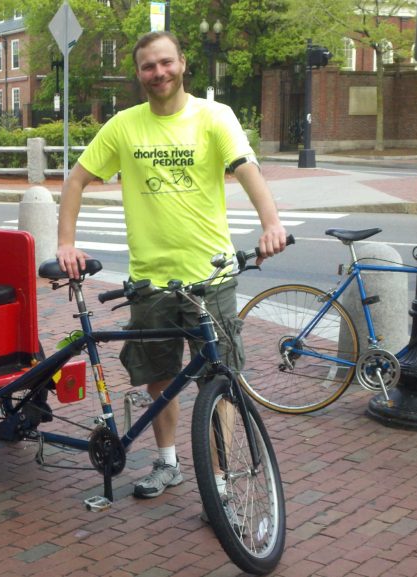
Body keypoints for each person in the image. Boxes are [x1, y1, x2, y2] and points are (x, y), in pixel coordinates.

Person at [56, 31, 287, 499]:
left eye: (165, 63)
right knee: (160, 378)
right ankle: (167, 462)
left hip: (211, 275)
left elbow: (247, 171)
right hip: (151, 282)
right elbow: (76, 180)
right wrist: (66, 244)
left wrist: (272, 224)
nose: (158, 73)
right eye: (148, 66)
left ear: (182, 63)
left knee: (217, 381)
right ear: (139, 74)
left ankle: (220, 483)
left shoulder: (213, 117)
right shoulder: (124, 125)